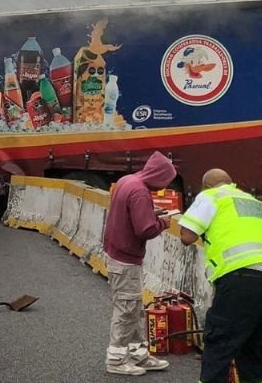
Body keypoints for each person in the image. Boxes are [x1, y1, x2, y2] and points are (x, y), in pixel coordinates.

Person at [178, 169, 262, 383]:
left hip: (240, 277)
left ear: (206, 186)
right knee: (255, 350)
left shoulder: (210, 196)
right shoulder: (259, 205)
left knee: (219, 343)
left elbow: (187, 236)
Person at [103, 151, 176, 376]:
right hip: (126, 259)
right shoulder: (140, 192)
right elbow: (145, 229)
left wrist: (150, 213)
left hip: (117, 252)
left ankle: (137, 353)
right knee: (126, 309)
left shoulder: (127, 181)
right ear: (159, 175)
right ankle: (115, 360)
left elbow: (132, 214)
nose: (164, 185)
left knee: (134, 307)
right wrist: (163, 223)